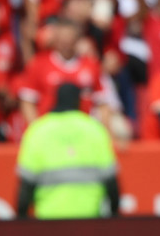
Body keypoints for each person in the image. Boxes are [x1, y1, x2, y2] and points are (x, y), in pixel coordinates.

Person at [16, 83, 120, 219]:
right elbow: (111, 183)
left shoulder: (37, 131)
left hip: (49, 220)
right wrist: (114, 217)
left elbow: (26, 186)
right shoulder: (95, 129)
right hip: (89, 219)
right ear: (78, 101)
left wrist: (21, 220)